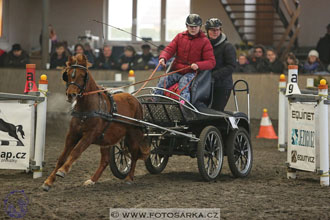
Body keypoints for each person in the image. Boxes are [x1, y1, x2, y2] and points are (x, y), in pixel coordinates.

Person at [155, 14, 216, 103]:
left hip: (192, 73)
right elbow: (169, 49)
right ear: (187, 26)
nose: (193, 28)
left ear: (199, 27)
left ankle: (184, 105)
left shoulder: (205, 41)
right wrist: (163, 58)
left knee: (184, 83)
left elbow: (211, 62)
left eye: (195, 26)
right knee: (163, 80)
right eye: (191, 26)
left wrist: (198, 65)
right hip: (177, 71)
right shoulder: (179, 37)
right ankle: (154, 99)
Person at [205, 18, 236, 111]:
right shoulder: (205, 45)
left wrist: (213, 75)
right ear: (207, 31)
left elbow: (231, 66)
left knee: (216, 110)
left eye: (217, 29)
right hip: (207, 84)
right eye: (212, 30)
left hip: (222, 85)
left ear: (220, 30)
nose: (215, 32)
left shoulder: (227, 46)